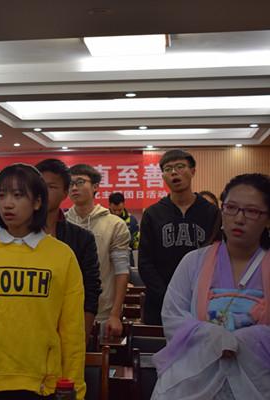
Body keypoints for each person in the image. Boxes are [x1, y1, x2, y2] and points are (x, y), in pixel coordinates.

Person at [0, 163, 86, 400]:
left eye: (18, 195)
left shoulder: (62, 256)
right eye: (1, 195)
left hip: (44, 387)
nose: (7, 204)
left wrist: (75, 391)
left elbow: (72, 333)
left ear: (37, 202)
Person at [151, 173, 270, 399]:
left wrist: (242, 341)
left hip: (258, 380)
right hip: (195, 378)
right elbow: (173, 316)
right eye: (231, 208)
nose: (239, 218)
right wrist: (214, 338)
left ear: (267, 219)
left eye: (252, 211)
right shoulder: (193, 261)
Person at [139, 149, 220, 325]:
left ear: (193, 171)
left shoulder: (211, 212)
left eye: (180, 166)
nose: (174, 172)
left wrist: (200, 294)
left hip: (202, 301)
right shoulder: (153, 214)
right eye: (168, 169)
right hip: (160, 303)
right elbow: (145, 262)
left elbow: (217, 257)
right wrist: (167, 296)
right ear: (163, 176)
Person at [36, 158, 102, 340]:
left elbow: (91, 289)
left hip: (68, 329)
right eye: (39, 186)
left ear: (65, 192)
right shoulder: (17, 236)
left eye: (51, 187)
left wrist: (82, 334)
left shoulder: (82, 239)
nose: (43, 192)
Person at [65, 164, 131, 337]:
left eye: (80, 182)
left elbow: (121, 271)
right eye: (70, 183)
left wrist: (115, 314)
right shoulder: (61, 223)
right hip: (64, 312)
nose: (74, 187)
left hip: (102, 313)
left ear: (95, 186)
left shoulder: (115, 224)